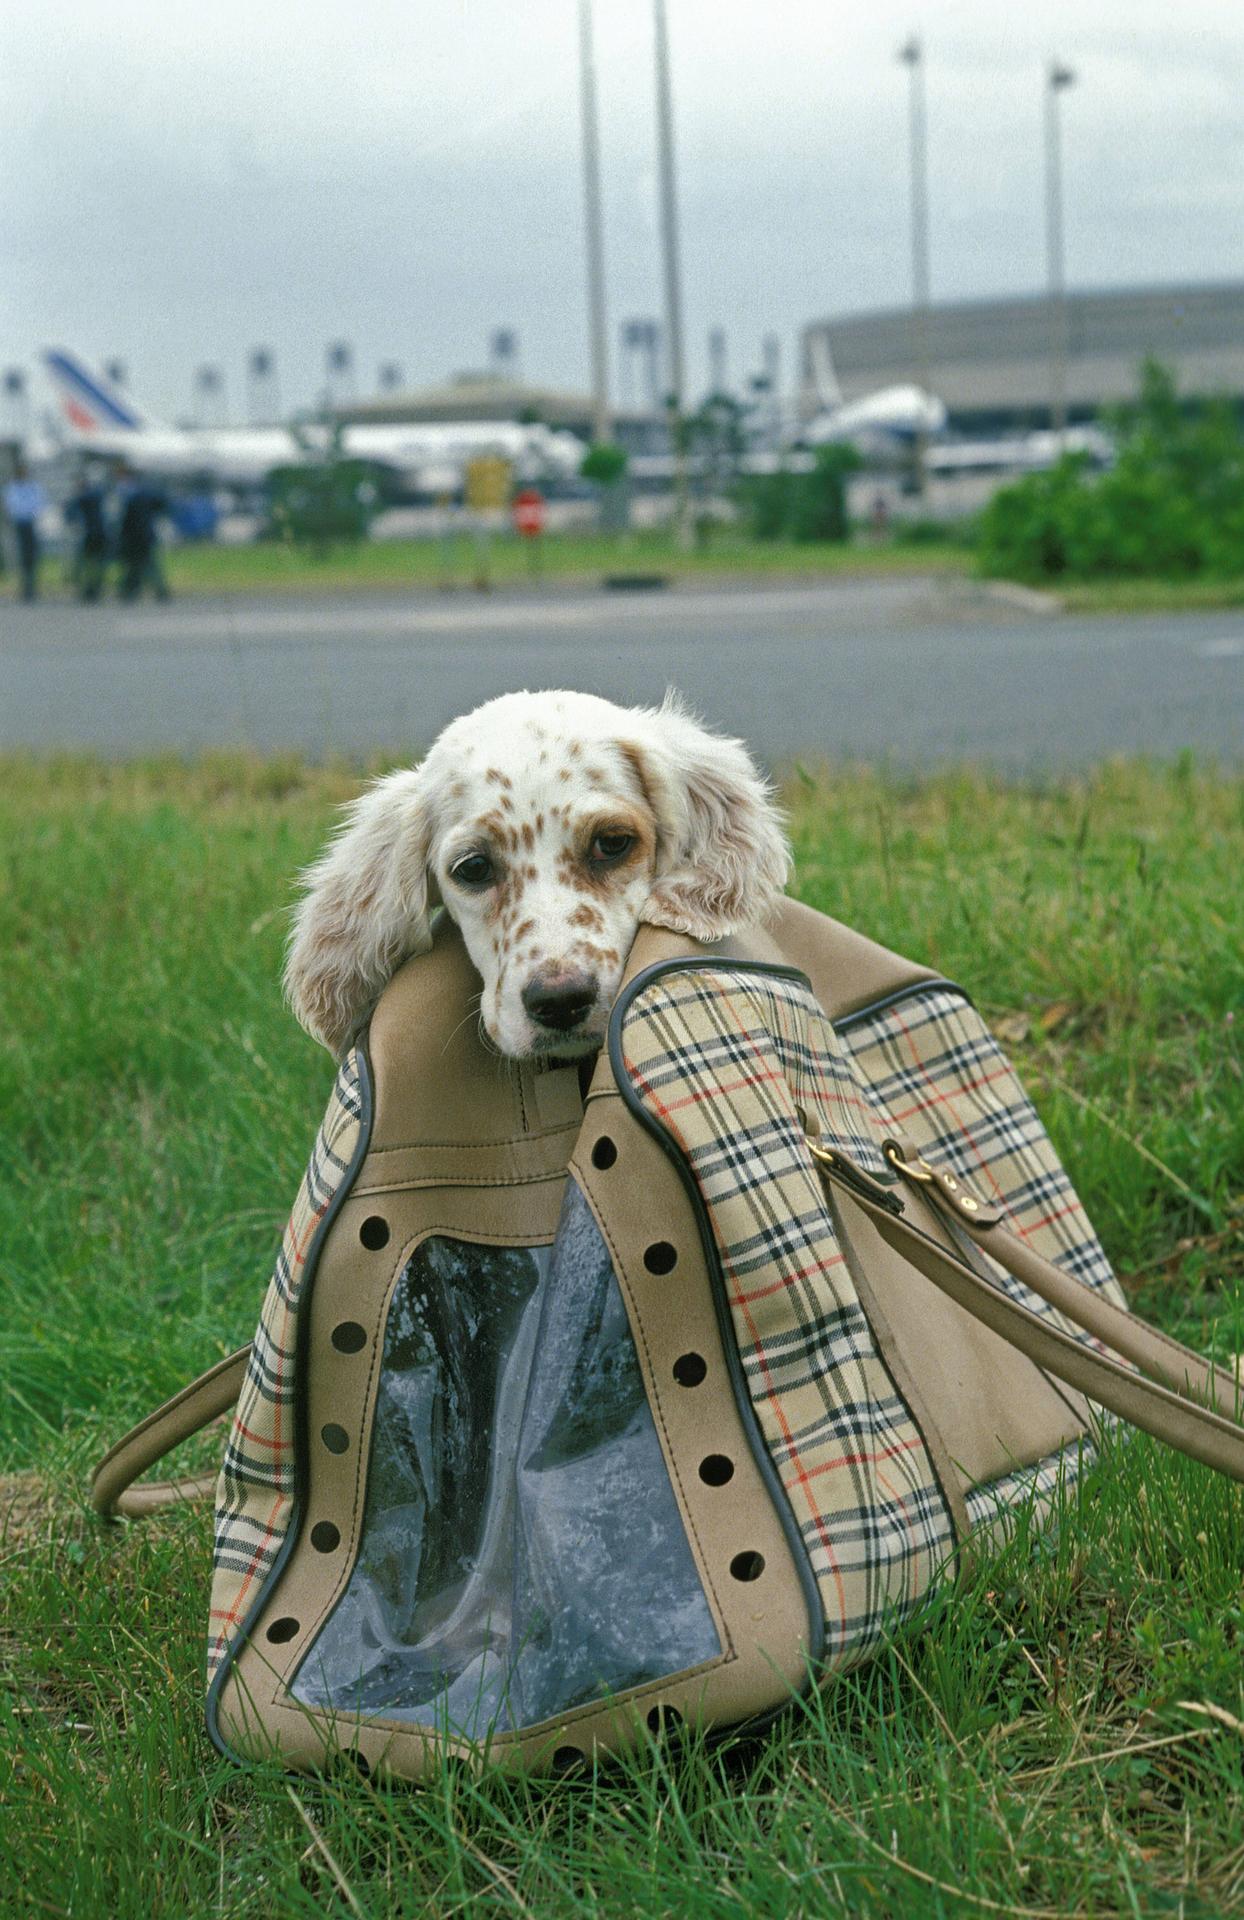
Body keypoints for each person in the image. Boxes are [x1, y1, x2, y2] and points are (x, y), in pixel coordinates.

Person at [115, 465, 171, 602]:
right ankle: (151, 590)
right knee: (143, 564)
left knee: (139, 564)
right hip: (143, 535)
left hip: (136, 536)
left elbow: (127, 519)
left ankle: (134, 590)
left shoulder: (131, 494)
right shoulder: (145, 492)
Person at [2, 458, 48, 602]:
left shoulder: (33, 487)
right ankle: (25, 588)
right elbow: (13, 506)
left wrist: (32, 513)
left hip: (30, 523)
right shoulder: (13, 488)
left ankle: (31, 587)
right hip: (20, 524)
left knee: (32, 556)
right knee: (23, 556)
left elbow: (39, 503)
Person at [65, 466, 111, 602]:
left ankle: (91, 588)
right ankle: (92, 588)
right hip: (96, 533)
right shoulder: (95, 494)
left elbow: (70, 512)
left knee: (90, 563)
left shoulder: (85, 496)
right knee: (93, 564)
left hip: (92, 534)